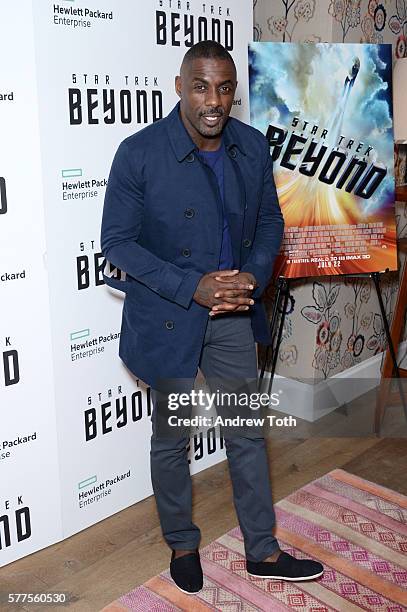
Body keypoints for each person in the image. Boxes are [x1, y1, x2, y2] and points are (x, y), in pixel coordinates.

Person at [100, 40, 323, 594]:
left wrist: (250, 275)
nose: (213, 100)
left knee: (246, 433)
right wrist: (190, 286)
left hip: (232, 315)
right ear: (179, 86)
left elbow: (271, 223)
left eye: (224, 88)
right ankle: (182, 542)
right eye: (201, 86)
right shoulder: (139, 153)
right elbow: (117, 243)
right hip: (171, 316)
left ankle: (262, 552)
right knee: (172, 437)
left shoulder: (250, 146)